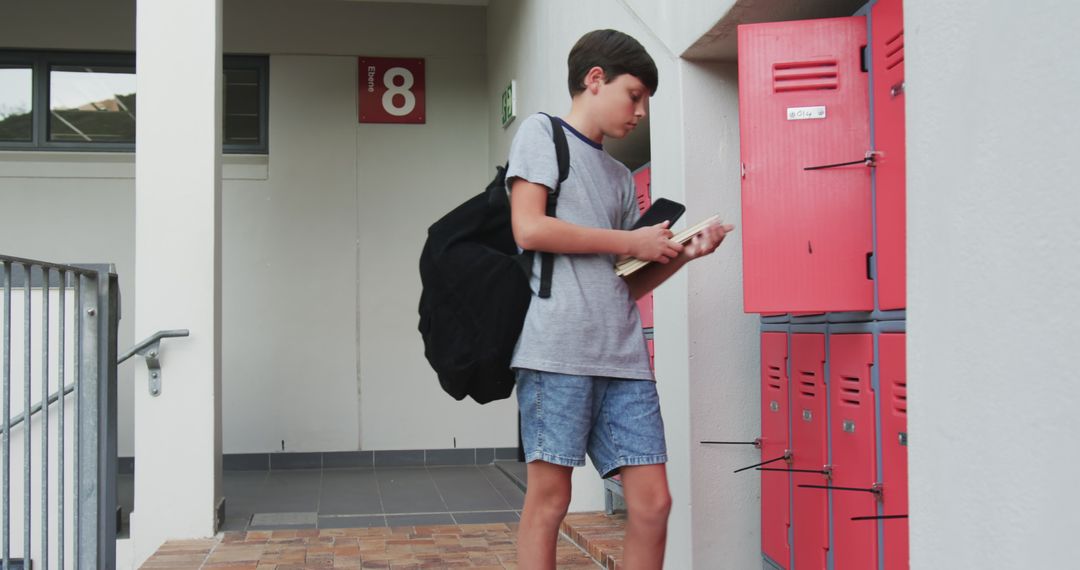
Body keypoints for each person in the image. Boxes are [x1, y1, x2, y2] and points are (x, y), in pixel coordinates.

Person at [506, 29, 735, 569]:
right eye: (634, 96)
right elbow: (529, 228)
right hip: (556, 352)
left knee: (653, 504)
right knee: (551, 500)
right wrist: (630, 240)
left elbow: (622, 281)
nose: (640, 113)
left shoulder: (615, 174)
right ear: (594, 80)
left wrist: (680, 254)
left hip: (623, 358)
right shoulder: (543, 133)